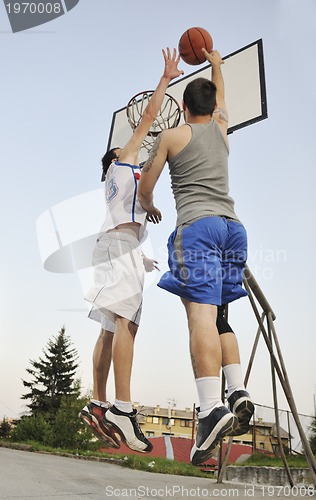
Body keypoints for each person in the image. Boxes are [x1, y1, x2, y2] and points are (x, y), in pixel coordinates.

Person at [137, 48, 254, 465]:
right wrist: (218, 65)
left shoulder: (172, 136)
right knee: (221, 315)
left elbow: (145, 186)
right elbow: (224, 103)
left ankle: (210, 409)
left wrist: (148, 203)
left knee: (200, 317)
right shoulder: (222, 131)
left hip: (199, 227)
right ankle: (236, 389)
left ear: (184, 108)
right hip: (233, 228)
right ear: (213, 108)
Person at [79, 48, 183, 453]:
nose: (135, 148)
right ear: (117, 158)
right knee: (128, 324)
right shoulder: (123, 161)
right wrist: (166, 78)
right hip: (118, 246)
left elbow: (127, 220)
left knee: (110, 326)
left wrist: (140, 256)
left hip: (116, 247)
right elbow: (147, 118)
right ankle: (122, 406)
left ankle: (99, 401)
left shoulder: (115, 185)